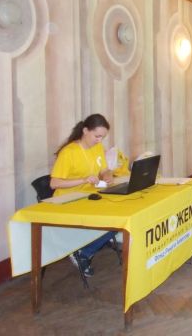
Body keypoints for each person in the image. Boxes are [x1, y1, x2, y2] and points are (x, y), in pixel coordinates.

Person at [50, 113, 117, 276]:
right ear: (85, 131)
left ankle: (85, 249)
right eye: (97, 136)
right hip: (68, 201)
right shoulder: (69, 152)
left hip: (89, 196)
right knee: (113, 220)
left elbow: (104, 170)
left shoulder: (97, 148)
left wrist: (107, 175)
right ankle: (83, 253)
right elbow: (54, 183)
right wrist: (83, 180)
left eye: (102, 137)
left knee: (121, 214)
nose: (99, 140)